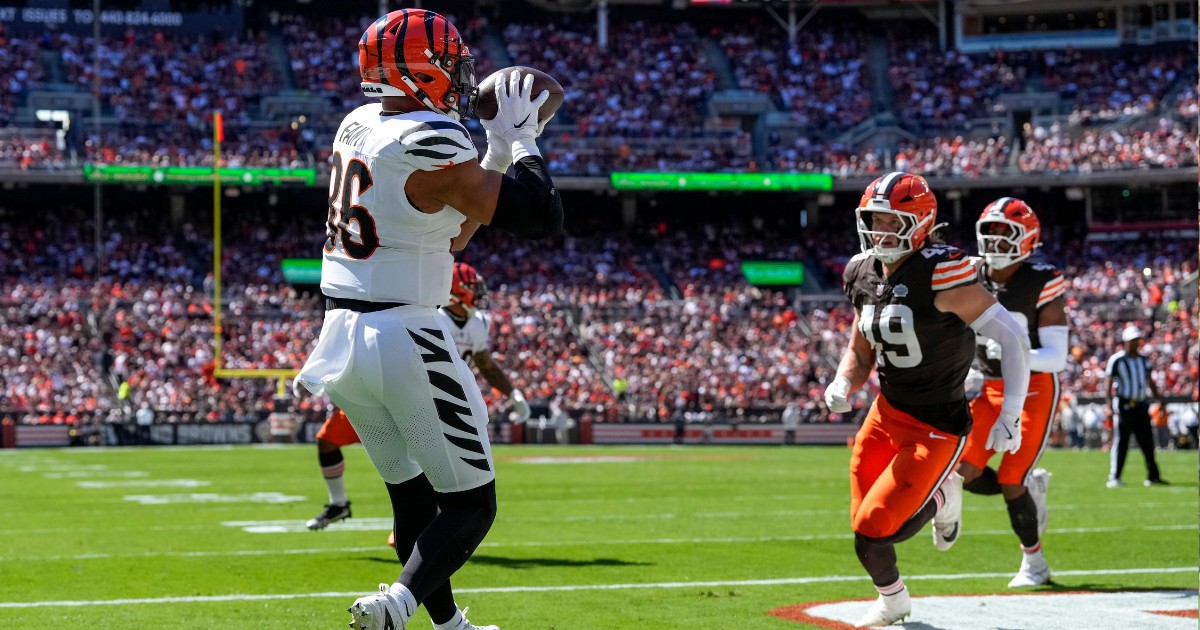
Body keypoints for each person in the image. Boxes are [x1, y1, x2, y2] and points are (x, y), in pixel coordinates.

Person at [294, 9, 562, 630]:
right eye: (450, 63)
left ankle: (448, 627)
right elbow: (540, 217)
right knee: (474, 504)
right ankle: (397, 605)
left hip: (341, 340)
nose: (462, 75)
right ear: (419, 70)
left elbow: (457, 231)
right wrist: (521, 140)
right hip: (405, 335)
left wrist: (491, 153)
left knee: (412, 494)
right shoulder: (429, 138)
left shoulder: (358, 125)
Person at [822, 172, 1031, 627]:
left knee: (878, 530)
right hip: (885, 413)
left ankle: (943, 497)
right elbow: (860, 348)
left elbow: (1014, 337)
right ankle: (893, 599)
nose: (878, 232)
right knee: (863, 526)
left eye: (888, 221)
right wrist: (843, 382)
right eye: (872, 220)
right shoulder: (861, 270)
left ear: (917, 222)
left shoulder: (941, 271)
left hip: (936, 423)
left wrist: (1011, 413)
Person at [305, 263, 532, 533]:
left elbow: (484, 362)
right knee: (329, 441)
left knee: (424, 465)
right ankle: (340, 504)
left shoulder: (478, 323)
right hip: (392, 383)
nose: (478, 295)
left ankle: (423, 525)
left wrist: (512, 393)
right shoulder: (430, 314)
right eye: (472, 288)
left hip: (432, 395)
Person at [958, 198, 1068, 588]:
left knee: (1011, 480)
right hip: (990, 388)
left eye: (1007, 233)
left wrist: (1015, 352)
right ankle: (1029, 488)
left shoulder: (1041, 279)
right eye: (990, 232)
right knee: (962, 474)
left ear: (1029, 238)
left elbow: (1057, 357)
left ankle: (1035, 564)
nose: (996, 242)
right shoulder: (969, 274)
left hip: (1034, 388)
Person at [1104, 325, 1168, 488]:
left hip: (1141, 405)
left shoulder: (1143, 360)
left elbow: (1150, 380)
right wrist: (1109, 405)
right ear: (1126, 341)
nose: (1136, 343)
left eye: (1137, 340)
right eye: (1133, 340)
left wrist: (1158, 399)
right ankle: (1115, 476)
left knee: (1147, 442)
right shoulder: (1117, 359)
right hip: (1125, 405)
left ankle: (1153, 476)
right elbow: (1108, 383)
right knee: (1122, 442)